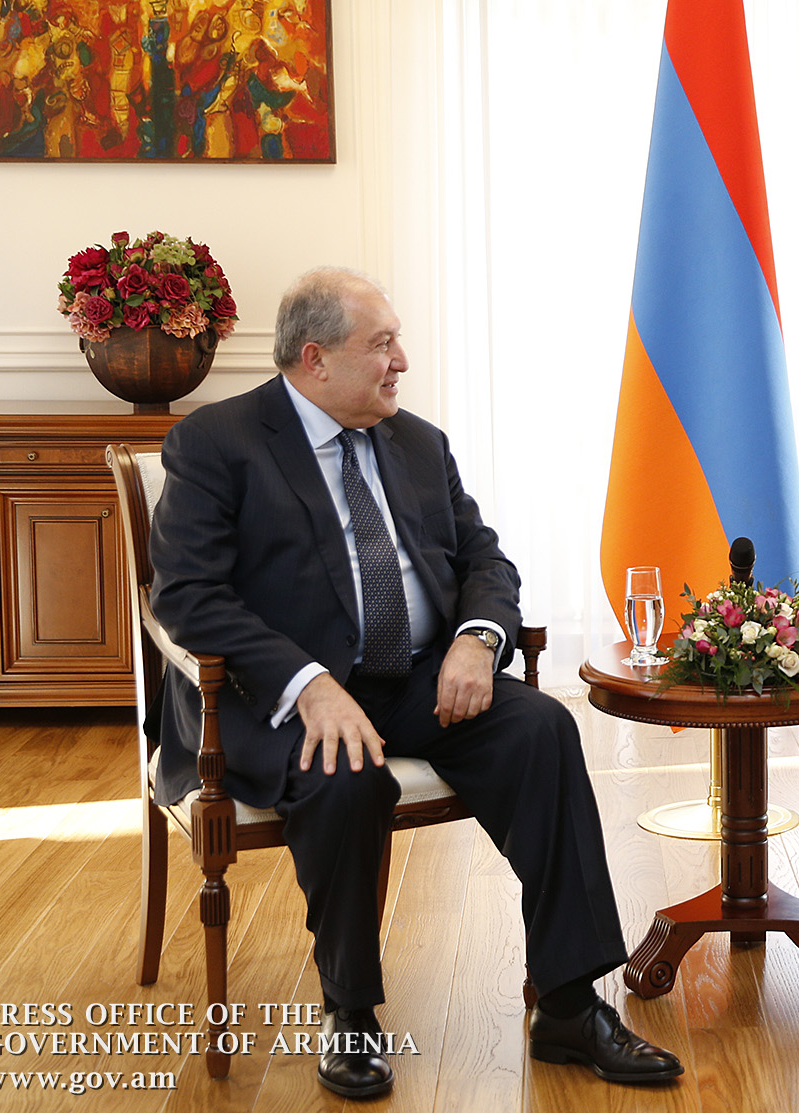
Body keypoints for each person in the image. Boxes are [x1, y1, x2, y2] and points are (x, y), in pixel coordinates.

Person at [150, 267, 683, 1097]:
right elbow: (187, 595)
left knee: (542, 730)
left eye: (396, 340)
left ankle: (570, 1006)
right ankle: (351, 1014)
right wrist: (309, 682)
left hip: (418, 679)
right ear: (316, 358)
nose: (402, 360)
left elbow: (484, 560)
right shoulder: (218, 442)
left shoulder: (418, 442)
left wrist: (476, 639)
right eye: (383, 344)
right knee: (345, 775)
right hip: (277, 699)